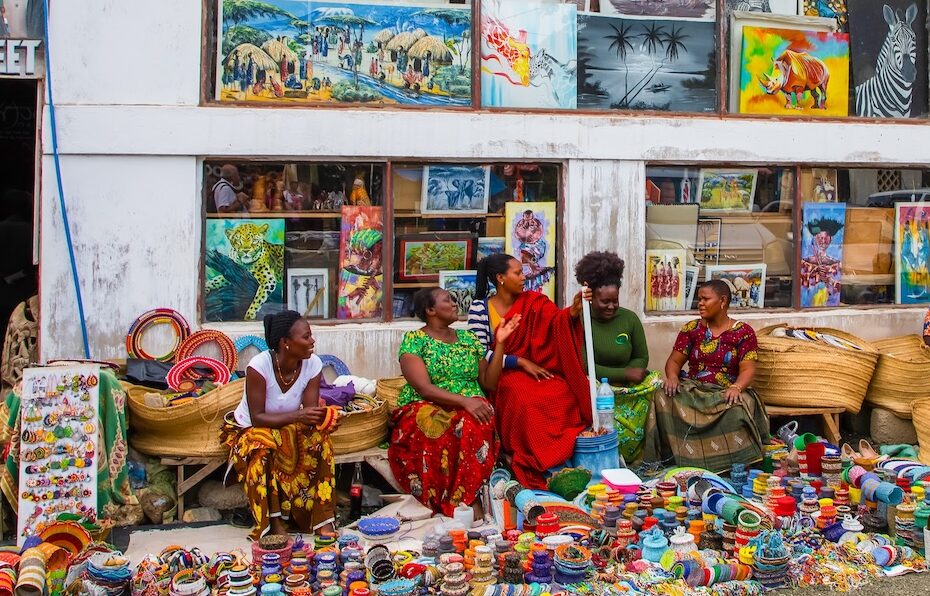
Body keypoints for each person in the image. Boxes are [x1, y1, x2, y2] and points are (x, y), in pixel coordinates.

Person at [390, 287, 516, 516]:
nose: (455, 303)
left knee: (473, 421)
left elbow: (489, 382)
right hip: (427, 404)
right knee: (434, 423)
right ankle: (450, 499)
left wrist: (500, 344)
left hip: (470, 404)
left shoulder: (468, 339)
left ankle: (465, 498)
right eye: (447, 300)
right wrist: (464, 401)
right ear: (430, 310)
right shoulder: (415, 340)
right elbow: (423, 388)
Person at [468, 253, 590, 489]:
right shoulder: (480, 309)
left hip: (536, 369)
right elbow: (479, 352)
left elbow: (556, 323)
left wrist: (573, 312)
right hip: (502, 375)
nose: (524, 277)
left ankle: (564, 460)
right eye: (518, 273)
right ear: (500, 278)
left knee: (561, 390)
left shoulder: (535, 301)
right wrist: (519, 362)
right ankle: (540, 464)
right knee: (526, 402)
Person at [221, 311, 337, 539]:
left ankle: (322, 519)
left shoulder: (313, 364)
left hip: (289, 425)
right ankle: (273, 522)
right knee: (261, 448)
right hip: (253, 428)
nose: (312, 341)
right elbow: (258, 418)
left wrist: (326, 418)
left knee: (320, 442)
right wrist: (299, 417)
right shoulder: (259, 366)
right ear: (285, 343)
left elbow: (309, 415)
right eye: (306, 337)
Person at [643, 280, 769, 473]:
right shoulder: (691, 330)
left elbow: (748, 369)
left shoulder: (743, 333)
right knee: (661, 395)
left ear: (723, 301)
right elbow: (674, 361)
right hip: (694, 389)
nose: (700, 303)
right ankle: (672, 457)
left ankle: (732, 465)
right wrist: (672, 377)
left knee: (737, 408)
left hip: (726, 391)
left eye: (705, 299)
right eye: (698, 299)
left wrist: (736, 387)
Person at [574, 251, 657, 464]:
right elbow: (583, 364)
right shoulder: (580, 321)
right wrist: (622, 373)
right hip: (595, 388)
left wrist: (631, 374)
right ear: (591, 298)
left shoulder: (629, 319)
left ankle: (642, 456)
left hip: (630, 388)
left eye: (615, 301)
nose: (611, 306)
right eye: (604, 302)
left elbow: (641, 356)